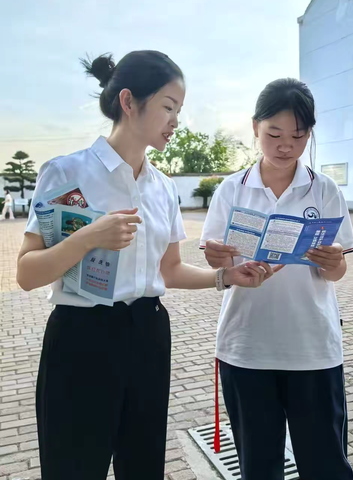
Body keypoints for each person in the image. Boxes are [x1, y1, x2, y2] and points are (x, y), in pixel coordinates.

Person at [16, 51, 279, 480]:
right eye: (168, 107)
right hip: (81, 339)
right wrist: (89, 237)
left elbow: (170, 270)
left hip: (148, 337)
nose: (176, 121)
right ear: (128, 102)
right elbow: (26, 273)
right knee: (73, 467)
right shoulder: (67, 173)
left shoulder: (161, 187)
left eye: (179, 110)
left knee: (143, 466)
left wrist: (224, 277)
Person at [201, 78, 353, 480]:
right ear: (255, 128)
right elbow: (218, 263)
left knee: (325, 465)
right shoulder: (231, 189)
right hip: (246, 348)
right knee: (259, 466)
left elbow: (336, 272)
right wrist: (219, 260)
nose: (285, 145)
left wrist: (333, 259)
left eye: (298, 136)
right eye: (273, 133)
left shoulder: (323, 190)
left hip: (313, 348)